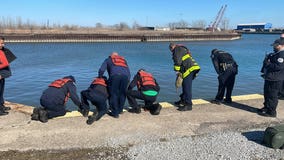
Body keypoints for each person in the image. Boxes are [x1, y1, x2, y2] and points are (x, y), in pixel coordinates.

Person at [168, 42, 200, 111]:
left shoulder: (176, 49)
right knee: (185, 85)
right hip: (192, 68)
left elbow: (177, 61)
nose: (171, 52)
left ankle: (188, 105)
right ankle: (183, 100)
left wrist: (177, 71)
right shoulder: (182, 49)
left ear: (171, 47)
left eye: (170, 50)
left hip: (189, 69)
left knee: (187, 87)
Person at [98, 52, 130, 118]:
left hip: (115, 76)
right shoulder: (123, 60)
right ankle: (120, 110)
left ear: (110, 56)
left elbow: (101, 69)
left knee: (113, 94)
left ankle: (115, 113)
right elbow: (128, 71)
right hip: (125, 77)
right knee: (122, 94)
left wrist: (100, 77)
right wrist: (128, 80)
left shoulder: (108, 60)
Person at [258, 38, 284, 117]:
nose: (274, 47)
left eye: (276, 46)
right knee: (267, 93)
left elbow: (279, 66)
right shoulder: (275, 54)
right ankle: (266, 107)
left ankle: (271, 112)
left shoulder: (281, 55)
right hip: (270, 77)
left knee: (272, 95)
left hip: (276, 78)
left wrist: (268, 64)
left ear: (282, 45)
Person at [0, 37, 17, 116]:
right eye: (1, 43)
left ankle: (1, 105)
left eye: (3, 43)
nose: (3, 45)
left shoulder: (2, 50)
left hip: (2, 74)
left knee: (1, 91)